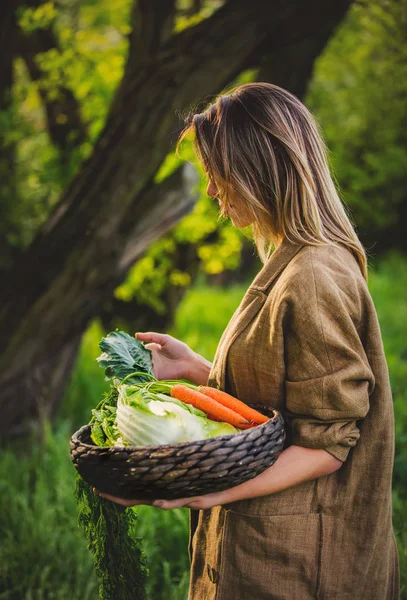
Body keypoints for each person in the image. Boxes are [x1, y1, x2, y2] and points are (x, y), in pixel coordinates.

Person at [97, 82, 399, 599]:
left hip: (301, 565)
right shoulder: (290, 262)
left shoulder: (314, 275)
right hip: (261, 547)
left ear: (260, 166)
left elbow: (328, 445)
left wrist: (205, 490)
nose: (213, 192)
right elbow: (282, 403)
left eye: (219, 174)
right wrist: (198, 371)